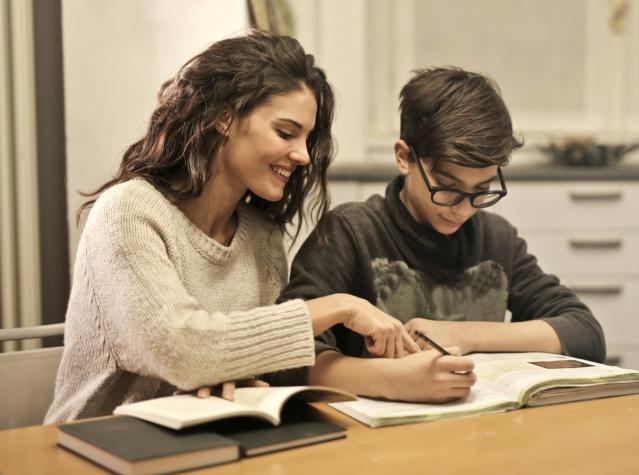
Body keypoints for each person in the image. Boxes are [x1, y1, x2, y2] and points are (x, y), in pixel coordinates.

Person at [45, 30, 418, 424]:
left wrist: (239, 379)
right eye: (287, 133)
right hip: (92, 447)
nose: (303, 156)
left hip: (207, 443)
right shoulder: (128, 213)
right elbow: (182, 349)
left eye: (308, 139)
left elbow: (241, 362)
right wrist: (339, 306)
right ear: (225, 116)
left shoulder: (261, 236)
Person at [278, 67, 605, 403]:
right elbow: (283, 354)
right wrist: (391, 380)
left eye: (481, 190)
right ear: (404, 157)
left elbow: (584, 331)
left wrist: (465, 335)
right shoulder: (351, 233)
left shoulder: (496, 238)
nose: (463, 209)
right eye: (447, 189)